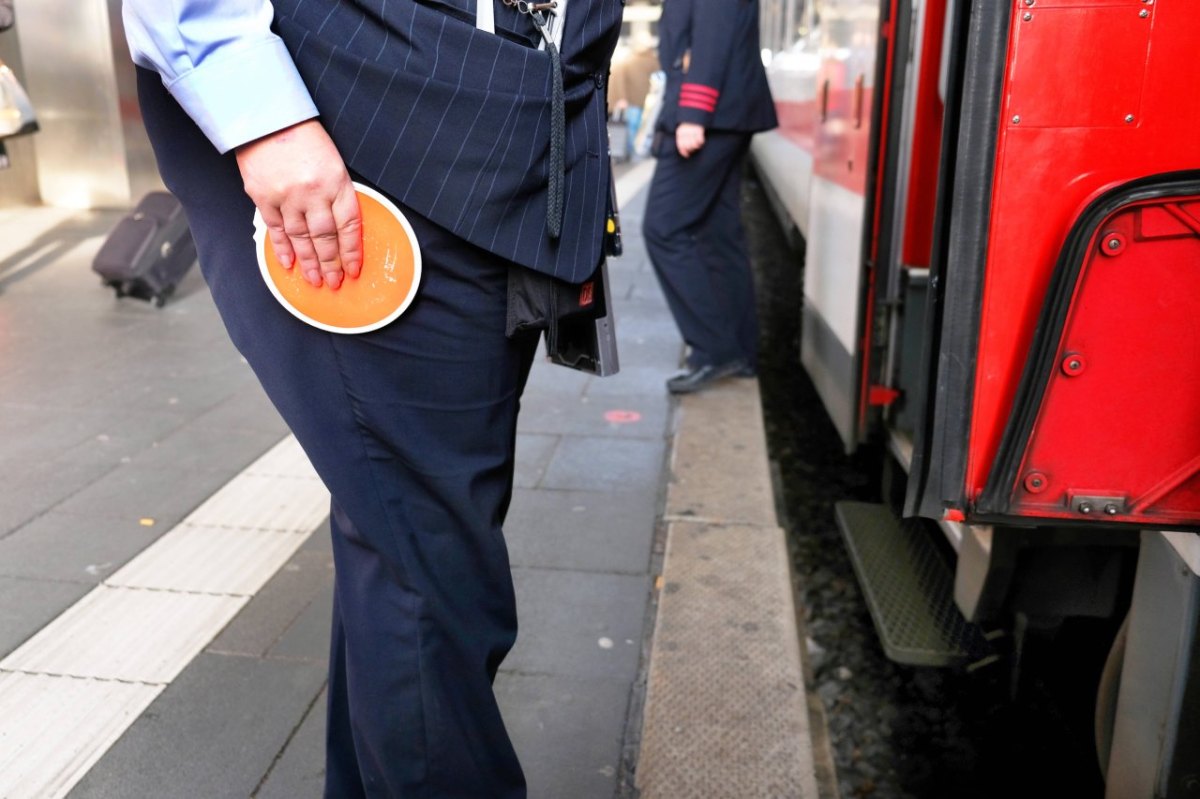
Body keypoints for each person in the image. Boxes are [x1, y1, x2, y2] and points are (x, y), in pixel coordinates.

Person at [122, 1, 622, 796]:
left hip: (513, 121)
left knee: (408, 531)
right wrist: (259, 108)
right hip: (360, 118)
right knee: (431, 562)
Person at [643, 0, 777, 394]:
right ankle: (738, 350)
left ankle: (715, 349)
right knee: (720, 232)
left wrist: (693, 115)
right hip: (728, 113)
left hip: (711, 114)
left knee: (663, 229)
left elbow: (713, 35)